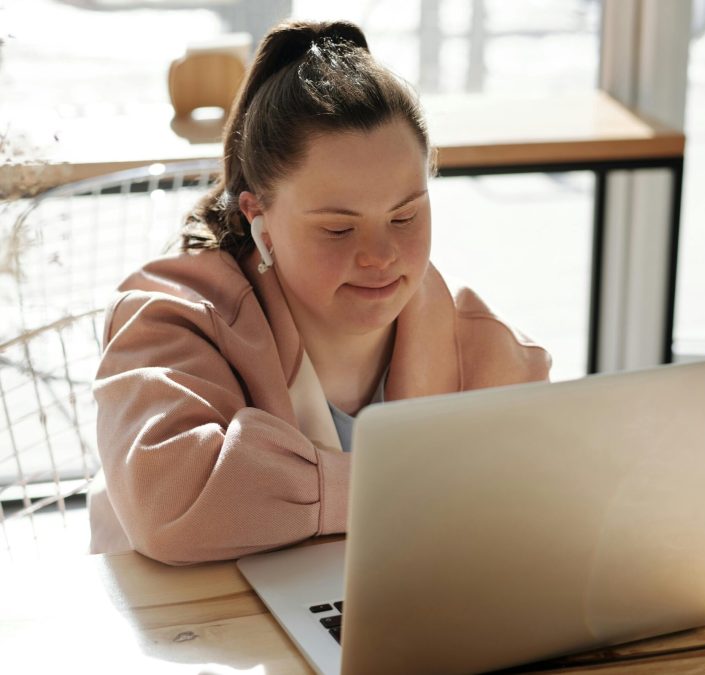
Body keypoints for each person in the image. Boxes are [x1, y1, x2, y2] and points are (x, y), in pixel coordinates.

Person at [89, 20, 551, 565]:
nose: (380, 255)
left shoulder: (485, 347)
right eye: (338, 228)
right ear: (259, 219)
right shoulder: (172, 317)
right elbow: (171, 504)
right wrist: (411, 487)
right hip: (185, 616)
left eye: (404, 216)